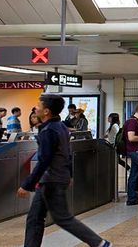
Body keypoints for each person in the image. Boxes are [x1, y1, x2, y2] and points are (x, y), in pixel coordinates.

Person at [17, 94, 111, 247]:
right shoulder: (60, 127)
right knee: (35, 218)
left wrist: (27, 184)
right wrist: (70, 175)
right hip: (53, 179)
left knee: (62, 218)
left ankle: (99, 243)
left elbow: (44, 160)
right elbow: (67, 154)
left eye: (39, 106)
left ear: (46, 111)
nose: (36, 108)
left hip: (51, 180)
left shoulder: (49, 131)